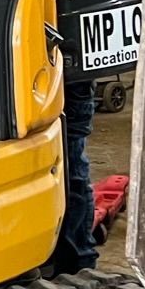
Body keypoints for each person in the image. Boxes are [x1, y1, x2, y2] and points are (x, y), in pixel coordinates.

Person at [50, 75, 97, 274]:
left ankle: (78, 259)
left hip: (68, 83)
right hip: (64, 83)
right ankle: (75, 256)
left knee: (72, 170)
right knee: (72, 169)